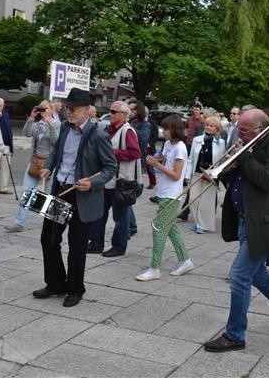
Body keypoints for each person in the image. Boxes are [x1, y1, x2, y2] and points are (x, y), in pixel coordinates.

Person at [203, 109, 269, 352]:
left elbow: (268, 179)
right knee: (257, 274)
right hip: (243, 220)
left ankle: (235, 334)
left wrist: (244, 157)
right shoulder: (250, 145)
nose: (239, 134)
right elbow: (241, 182)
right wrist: (224, 171)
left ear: (260, 129)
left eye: (244, 130)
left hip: (262, 223)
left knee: (239, 276)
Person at [35, 88, 116, 308]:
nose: (69, 112)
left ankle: (75, 288)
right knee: (48, 239)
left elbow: (110, 168)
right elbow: (56, 152)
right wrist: (48, 167)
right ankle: (55, 284)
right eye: (68, 108)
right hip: (60, 190)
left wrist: (93, 182)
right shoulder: (63, 128)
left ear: (87, 110)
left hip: (82, 196)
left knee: (77, 246)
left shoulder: (99, 134)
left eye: (74, 109)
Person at [136, 114, 194, 281]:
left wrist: (157, 164)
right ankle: (186, 261)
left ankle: (155, 268)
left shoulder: (180, 147)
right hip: (164, 192)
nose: (164, 131)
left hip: (172, 195)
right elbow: (164, 158)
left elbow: (177, 175)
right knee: (172, 230)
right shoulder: (169, 143)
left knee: (159, 229)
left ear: (174, 129)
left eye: (166, 129)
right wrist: (157, 159)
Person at [88, 101, 141, 256]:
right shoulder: (108, 129)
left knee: (121, 217)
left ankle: (119, 246)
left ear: (123, 115)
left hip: (121, 182)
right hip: (106, 180)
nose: (110, 114)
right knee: (99, 213)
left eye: (113, 111)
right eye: (110, 111)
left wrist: (112, 153)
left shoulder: (127, 131)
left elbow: (135, 153)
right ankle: (96, 244)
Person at [5, 101, 59, 232]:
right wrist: (31, 118)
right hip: (35, 162)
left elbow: (56, 141)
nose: (42, 111)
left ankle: (51, 224)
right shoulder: (37, 124)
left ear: (52, 110)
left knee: (49, 195)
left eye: (45, 108)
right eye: (40, 108)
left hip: (49, 164)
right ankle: (19, 223)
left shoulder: (57, 124)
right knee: (26, 192)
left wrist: (50, 124)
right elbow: (27, 133)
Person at [186, 116, 226, 234]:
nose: (208, 127)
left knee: (206, 201)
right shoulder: (197, 139)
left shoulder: (221, 142)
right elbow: (191, 159)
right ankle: (198, 222)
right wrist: (187, 175)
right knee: (193, 199)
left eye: (211, 125)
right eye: (207, 125)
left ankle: (202, 225)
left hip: (210, 175)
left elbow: (221, 161)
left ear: (217, 129)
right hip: (197, 173)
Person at [0, 97, 14, 195]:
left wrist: (10, 146)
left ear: (3, 106)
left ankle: (3, 187)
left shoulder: (5, 115)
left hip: (6, 146)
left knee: (5, 168)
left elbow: (8, 130)